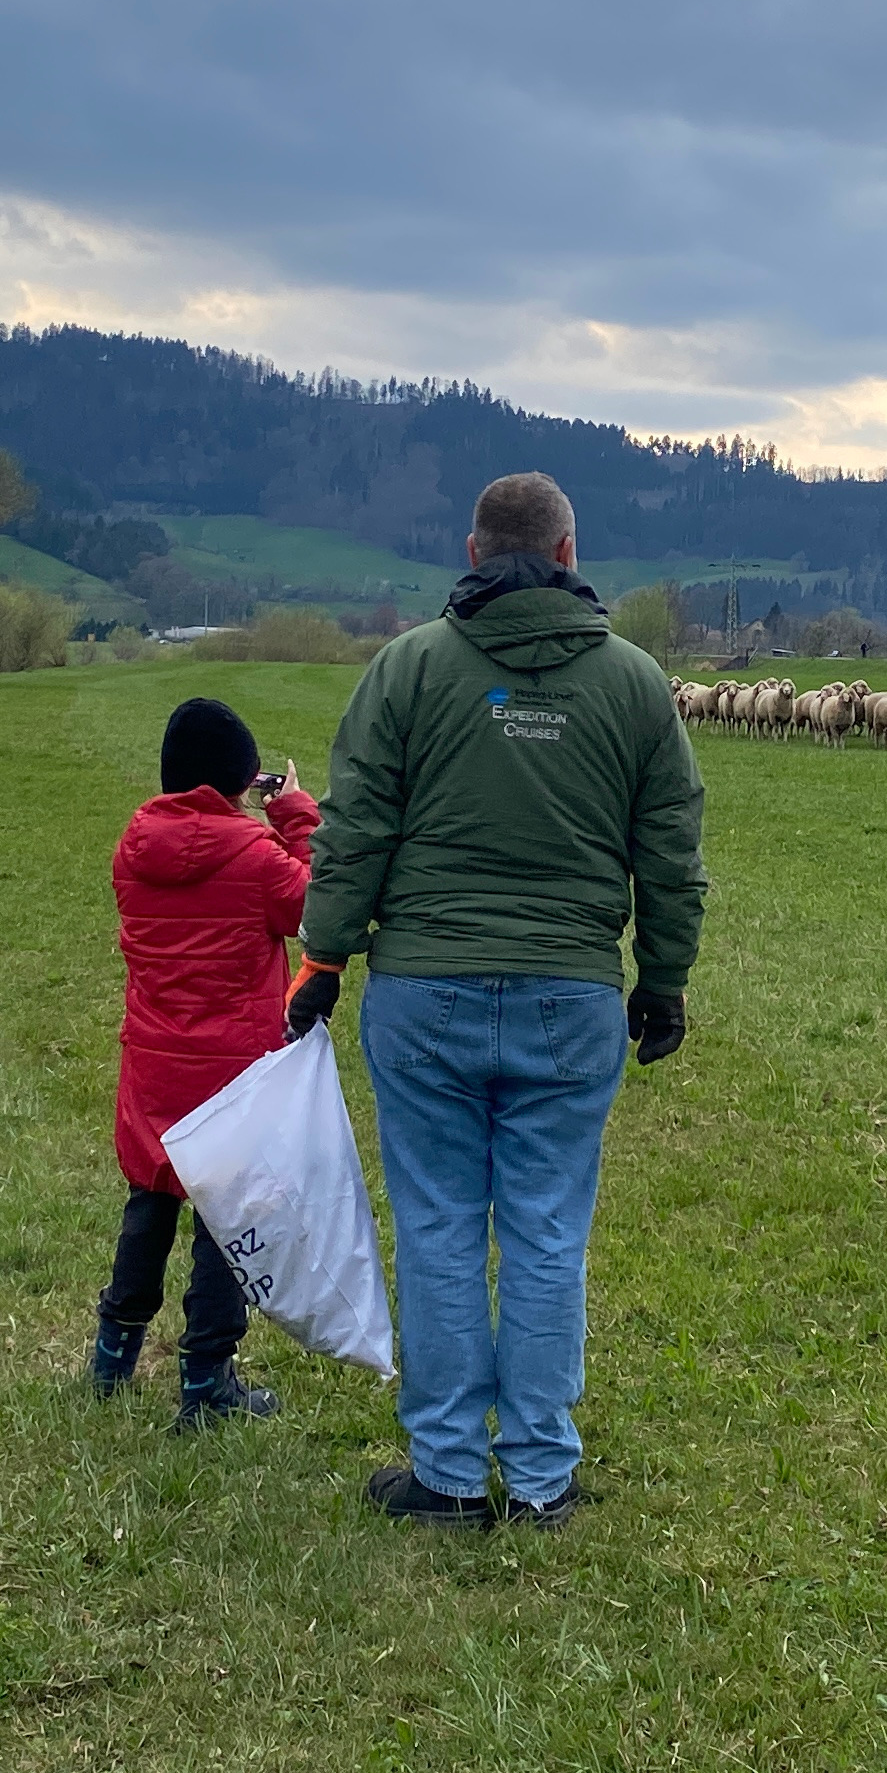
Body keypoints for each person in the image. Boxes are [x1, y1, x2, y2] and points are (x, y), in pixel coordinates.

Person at [299, 471, 704, 1528]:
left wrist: (326, 956)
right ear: (569, 554)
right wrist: (662, 979)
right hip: (569, 995)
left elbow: (354, 828)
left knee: (436, 1228)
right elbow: (670, 854)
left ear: (473, 555)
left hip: (424, 986)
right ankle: (538, 1475)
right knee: (545, 1233)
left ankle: (442, 1471)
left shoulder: (408, 669)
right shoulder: (633, 683)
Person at [96, 696, 313, 1428]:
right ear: (237, 782)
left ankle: (111, 1356)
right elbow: (312, 911)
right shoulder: (255, 856)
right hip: (233, 1070)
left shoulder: (133, 845)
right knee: (226, 1223)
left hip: (154, 1058)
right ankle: (205, 1380)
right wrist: (295, 816)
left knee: (150, 1200)